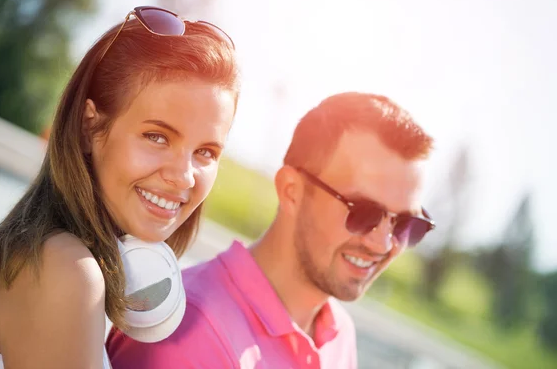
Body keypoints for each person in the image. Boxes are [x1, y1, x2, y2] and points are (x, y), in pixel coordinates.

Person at [0, 6, 239, 369]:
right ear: (90, 126)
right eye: (157, 136)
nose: (184, 176)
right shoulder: (67, 272)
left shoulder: (50, 257)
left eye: (205, 151)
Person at [107, 92, 436, 368]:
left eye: (407, 224)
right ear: (291, 190)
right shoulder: (183, 335)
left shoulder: (337, 333)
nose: (382, 243)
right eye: (363, 212)